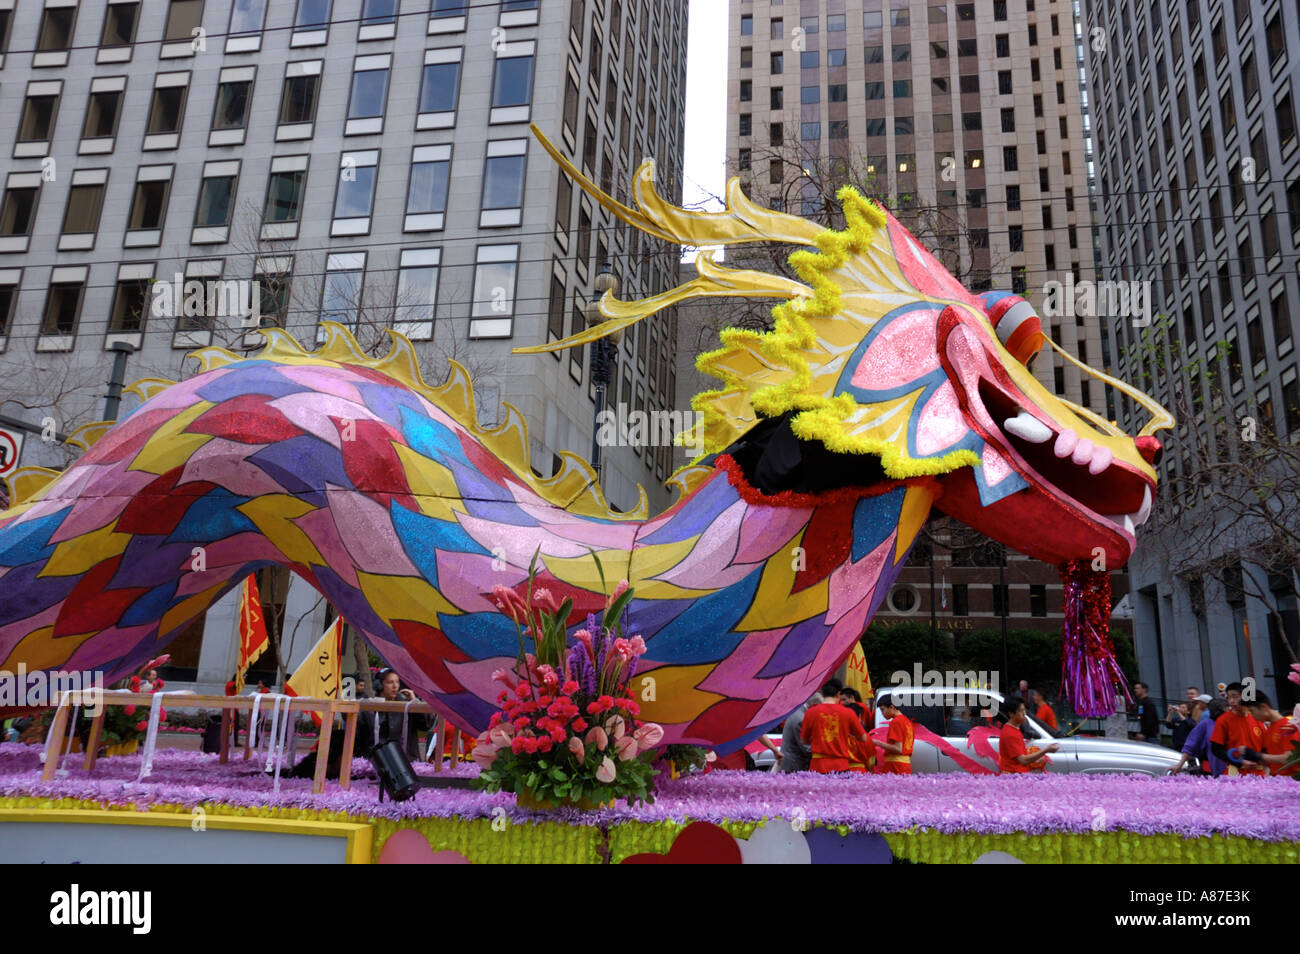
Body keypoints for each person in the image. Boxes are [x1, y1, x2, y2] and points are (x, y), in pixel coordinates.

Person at [358, 669, 436, 762]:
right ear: (379, 685)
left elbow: (426, 726)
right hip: (378, 760)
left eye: (397, 682)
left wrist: (416, 704)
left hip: (406, 760)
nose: (395, 686)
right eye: (390, 682)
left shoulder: (408, 705)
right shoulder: (369, 707)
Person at [801, 680, 873, 773]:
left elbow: (804, 740)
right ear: (838, 694)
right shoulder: (848, 713)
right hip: (841, 766)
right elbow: (863, 738)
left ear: (822, 694)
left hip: (818, 766)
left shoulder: (810, 712)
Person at [1209, 682, 1267, 776]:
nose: (1231, 701)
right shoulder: (1223, 720)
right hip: (1235, 773)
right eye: (1228, 697)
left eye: (1235, 697)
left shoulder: (1257, 717)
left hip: (1259, 773)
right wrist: (1240, 762)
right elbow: (1216, 749)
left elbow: (1265, 747)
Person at [998, 697, 1059, 773]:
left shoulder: (1013, 729)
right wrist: (1046, 750)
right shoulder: (1010, 733)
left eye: (1024, 710)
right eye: (1020, 711)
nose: (1024, 713)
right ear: (1011, 714)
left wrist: (1037, 757)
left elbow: (1020, 756)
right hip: (1015, 777)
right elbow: (1023, 760)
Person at [1244, 693, 1299, 777]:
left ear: (1263, 707)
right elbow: (1271, 761)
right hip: (1278, 780)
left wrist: (1258, 756)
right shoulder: (1269, 729)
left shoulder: (1288, 726)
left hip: (1292, 781)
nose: (1252, 716)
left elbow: (1289, 759)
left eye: (1252, 711)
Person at [1168, 699, 1226, 776]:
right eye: (1227, 708)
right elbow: (1190, 745)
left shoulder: (1234, 722)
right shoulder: (1206, 724)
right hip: (1213, 769)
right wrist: (1179, 765)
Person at [779, 692, 822, 772]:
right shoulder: (801, 719)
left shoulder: (798, 712)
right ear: (814, 705)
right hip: (794, 764)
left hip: (792, 762)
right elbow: (805, 747)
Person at [874, 693, 914, 774]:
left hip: (895, 765)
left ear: (891, 707)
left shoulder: (896, 722)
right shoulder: (907, 721)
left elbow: (898, 749)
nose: (882, 713)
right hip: (905, 764)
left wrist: (877, 743)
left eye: (882, 709)